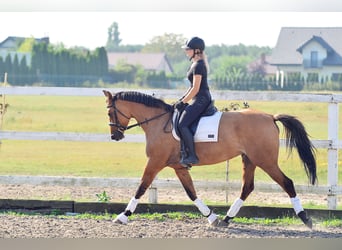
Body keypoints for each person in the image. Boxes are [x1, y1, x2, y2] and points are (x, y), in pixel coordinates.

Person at [175, 37, 212, 168]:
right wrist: (182, 100)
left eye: (188, 49)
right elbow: (191, 87)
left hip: (201, 99)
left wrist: (184, 101)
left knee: (182, 124)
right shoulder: (195, 64)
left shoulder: (199, 65)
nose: (186, 51)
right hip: (198, 98)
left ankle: (192, 156)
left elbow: (196, 88)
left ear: (196, 51)